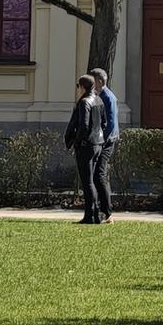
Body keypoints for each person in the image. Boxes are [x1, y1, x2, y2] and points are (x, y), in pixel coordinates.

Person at [65, 75, 104, 225]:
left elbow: (84, 126)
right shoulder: (99, 100)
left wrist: (77, 141)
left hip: (86, 145)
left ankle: (90, 215)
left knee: (87, 182)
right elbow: (104, 123)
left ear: (82, 87)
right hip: (98, 144)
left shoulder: (84, 102)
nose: (77, 89)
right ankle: (95, 214)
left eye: (77, 86)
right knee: (92, 180)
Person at [88, 66, 119, 223]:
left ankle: (107, 213)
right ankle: (102, 210)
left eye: (93, 81)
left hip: (106, 142)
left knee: (99, 175)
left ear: (99, 81)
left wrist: (102, 140)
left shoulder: (108, 97)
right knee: (97, 175)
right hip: (102, 140)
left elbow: (111, 122)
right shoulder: (100, 95)